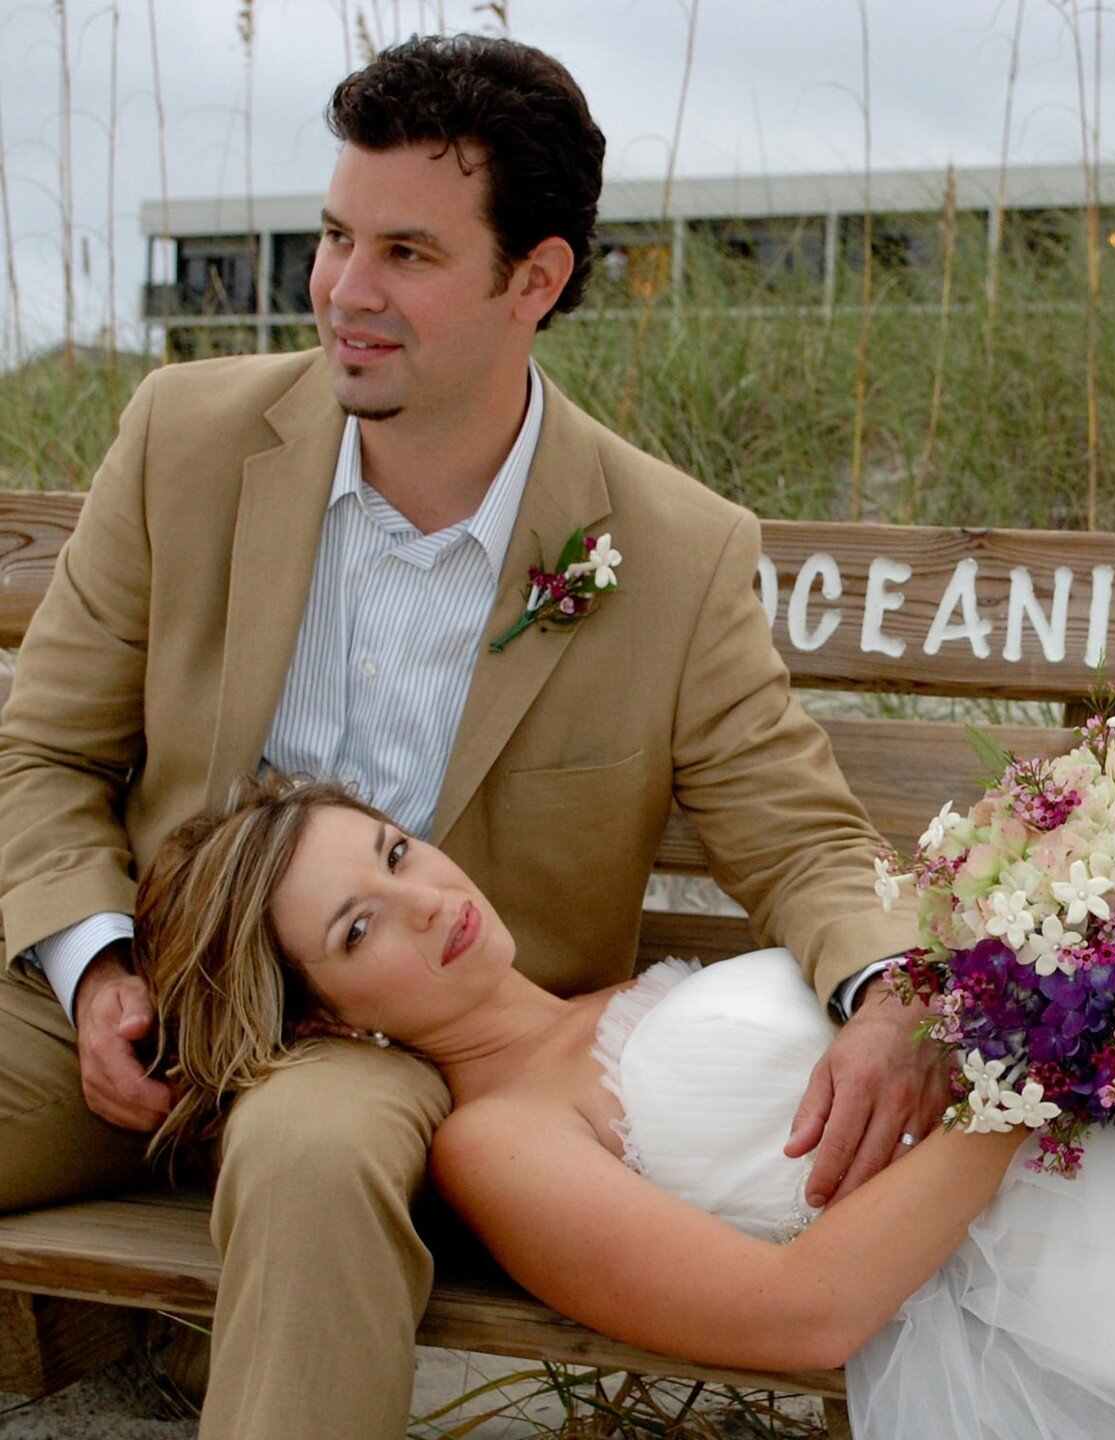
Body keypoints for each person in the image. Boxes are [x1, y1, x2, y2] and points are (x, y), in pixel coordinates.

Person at [0, 34, 947, 1440]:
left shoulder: (672, 553)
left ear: (536, 280)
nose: (343, 293)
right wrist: (95, 968)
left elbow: (797, 833)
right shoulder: (184, 437)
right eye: (333, 238)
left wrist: (892, 991)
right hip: (140, 986)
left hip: (389, 1041)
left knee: (315, 1161)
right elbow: (42, 755)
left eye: (406, 253)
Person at [137, 775, 1115, 1440]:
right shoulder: (500, 1140)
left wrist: (1057, 937)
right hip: (1085, 1226)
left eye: (396, 852)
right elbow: (800, 1313)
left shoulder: (608, 1000)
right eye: (362, 925)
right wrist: (1041, 1060)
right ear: (327, 1019)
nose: (426, 899)